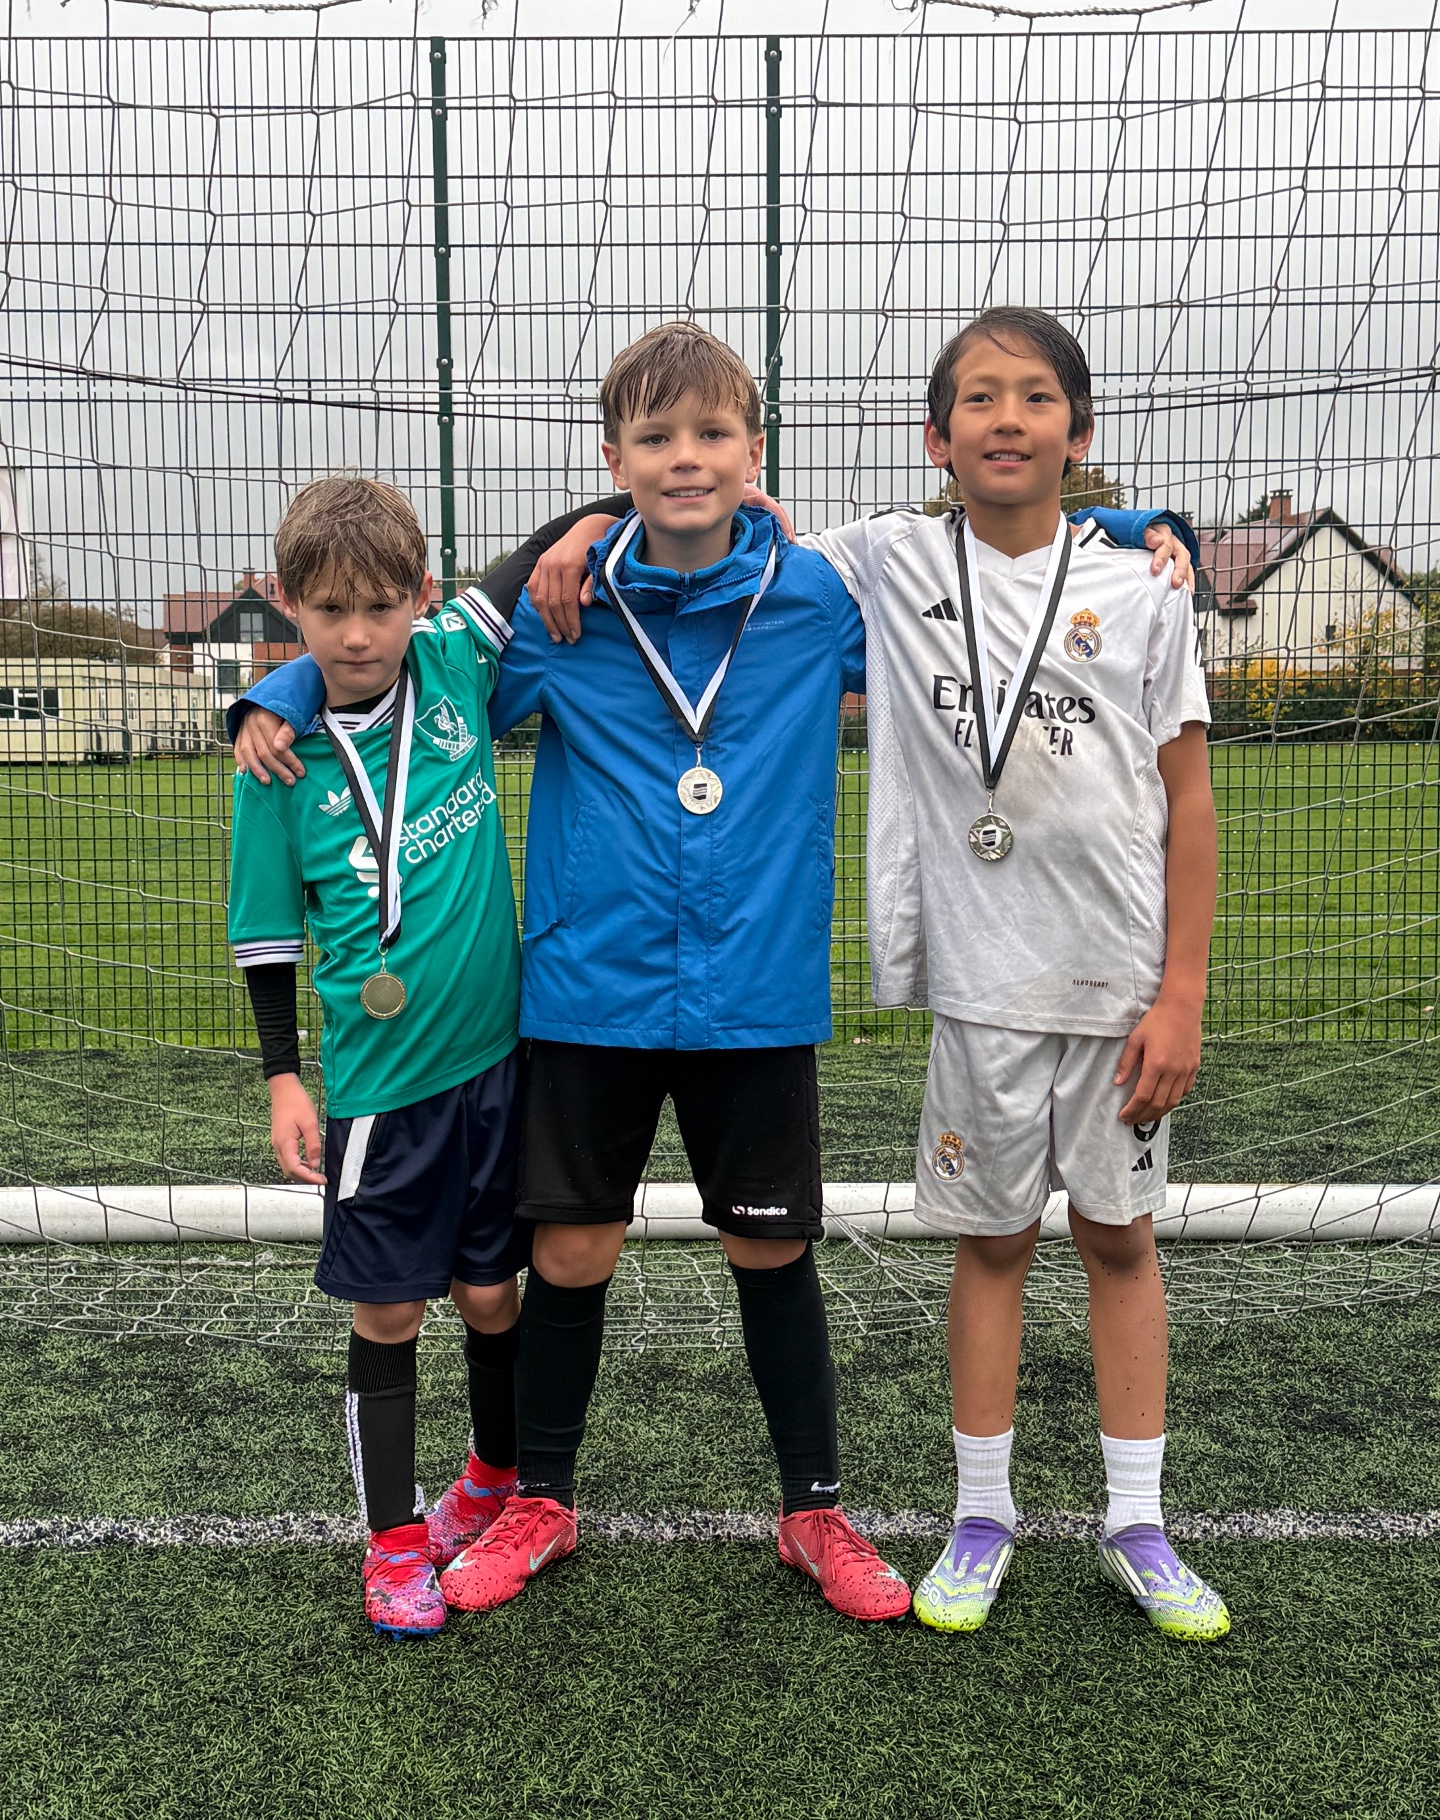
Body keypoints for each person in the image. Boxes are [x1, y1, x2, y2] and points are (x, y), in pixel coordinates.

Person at [233, 324, 1195, 1628]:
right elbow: (409, 676)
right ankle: (542, 1503)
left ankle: (814, 1510)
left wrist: (1142, 521)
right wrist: (280, 685)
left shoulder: (819, 597)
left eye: (711, 437)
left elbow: (989, 563)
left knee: (775, 1249)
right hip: (590, 992)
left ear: (755, 452)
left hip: (755, 987)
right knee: (570, 1250)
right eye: (654, 440)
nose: (685, 460)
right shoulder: (562, 611)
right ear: (614, 460)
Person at [810, 306, 1228, 1639]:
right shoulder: (885, 561)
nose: (1006, 417)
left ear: (1077, 435)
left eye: (1035, 397)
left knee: (1118, 1239)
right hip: (981, 992)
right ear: (935, 440)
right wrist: (591, 532)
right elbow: (729, 521)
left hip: (1119, 991)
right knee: (991, 1247)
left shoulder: (1146, 587)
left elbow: (1193, 803)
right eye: (978, 400)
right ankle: (981, 1514)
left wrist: (1183, 993)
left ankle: (1138, 1524)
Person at [227, 477, 529, 1639]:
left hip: (496, 1067)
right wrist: (281, 1075)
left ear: (422, 599)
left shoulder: (454, 668)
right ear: (288, 606)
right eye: (328, 612)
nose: (356, 636)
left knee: (493, 1294)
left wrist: (636, 509)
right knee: (391, 1313)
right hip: (375, 1095)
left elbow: (553, 542)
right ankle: (393, 1538)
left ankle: (494, 1479)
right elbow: (264, 936)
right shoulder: (274, 761)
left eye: (379, 608)